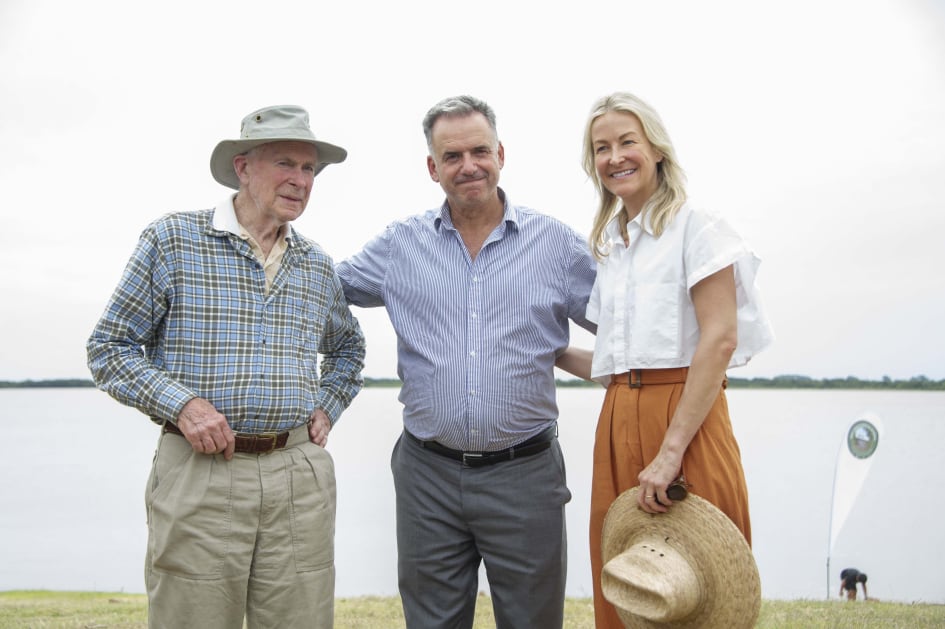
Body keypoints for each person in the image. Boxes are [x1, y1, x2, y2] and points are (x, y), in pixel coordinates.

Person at [87, 105, 366, 629]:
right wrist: (184, 405)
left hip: (297, 477)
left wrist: (327, 405)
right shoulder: (172, 240)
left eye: (309, 169)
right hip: (200, 473)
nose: (301, 180)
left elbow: (349, 350)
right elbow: (109, 348)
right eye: (285, 163)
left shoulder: (316, 264)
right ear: (243, 167)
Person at [336, 94, 597, 629]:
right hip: (426, 476)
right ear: (433, 168)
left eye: (479, 151)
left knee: (532, 622)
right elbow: (319, 290)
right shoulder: (400, 246)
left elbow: (630, 330)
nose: (468, 166)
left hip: (525, 474)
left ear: (501, 154)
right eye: (451, 156)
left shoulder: (556, 246)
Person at [557, 91, 774, 628]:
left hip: (685, 420)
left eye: (627, 141)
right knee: (630, 582)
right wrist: (542, 350)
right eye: (601, 148)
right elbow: (613, 369)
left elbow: (719, 340)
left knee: (696, 582)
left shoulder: (698, 226)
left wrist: (671, 450)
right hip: (617, 418)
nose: (615, 157)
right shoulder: (611, 245)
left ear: (656, 148)